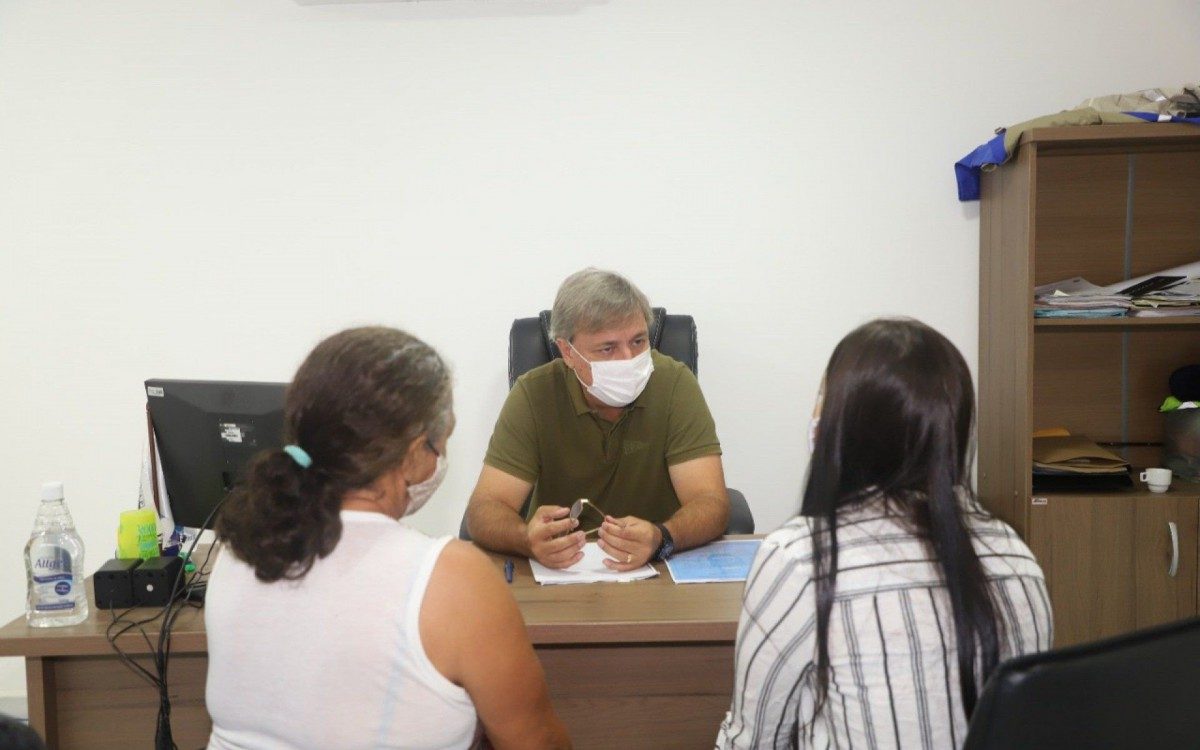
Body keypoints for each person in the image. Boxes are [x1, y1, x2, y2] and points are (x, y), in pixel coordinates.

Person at [205, 327, 570, 750]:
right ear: (415, 454)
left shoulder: (239, 550)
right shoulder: (453, 578)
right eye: (441, 444)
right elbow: (537, 743)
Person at [717, 319, 1052, 749]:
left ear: (845, 427)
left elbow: (754, 741)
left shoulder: (803, 560)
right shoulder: (1015, 556)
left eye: (825, 401)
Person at [466, 268, 730, 571]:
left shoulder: (674, 384)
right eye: (608, 348)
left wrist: (662, 536)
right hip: (561, 572)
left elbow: (711, 503)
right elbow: (485, 509)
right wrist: (526, 538)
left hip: (657, 571)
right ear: (567, 351)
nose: (627, 359)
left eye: (638, 341)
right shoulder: (533, 393)